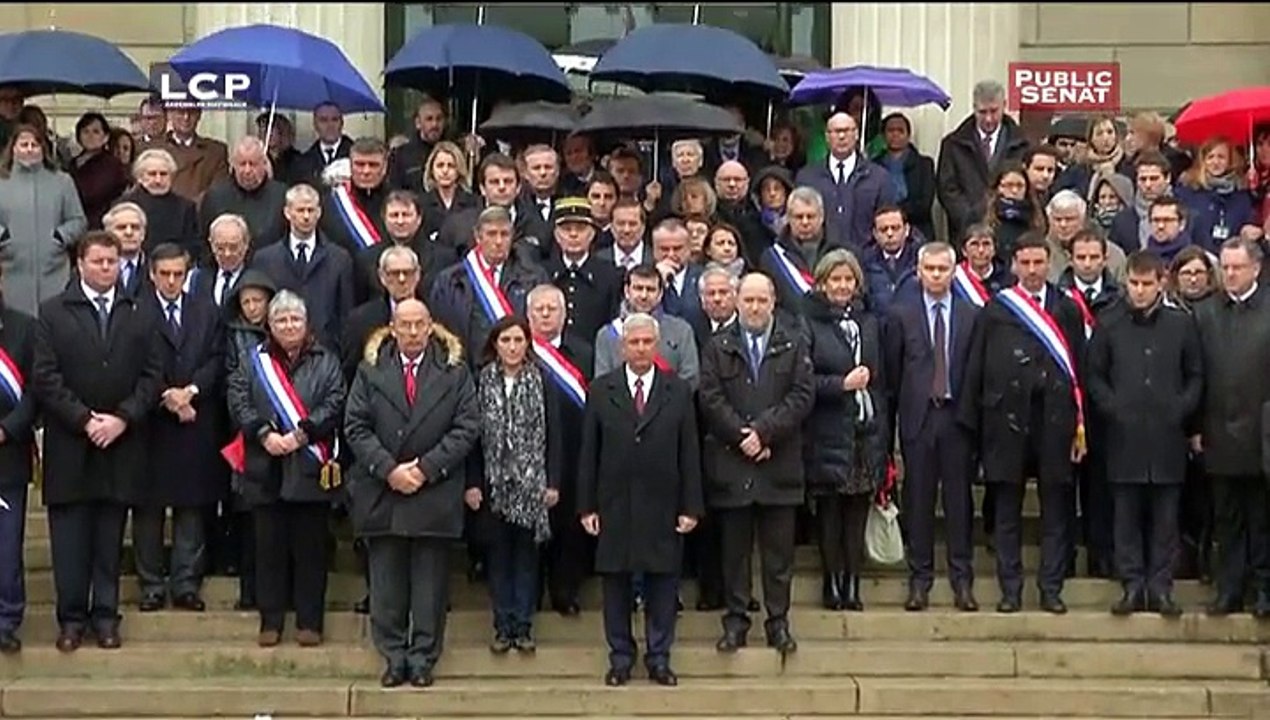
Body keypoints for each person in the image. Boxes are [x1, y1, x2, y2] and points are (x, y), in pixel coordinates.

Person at [31, 230, 163, 652]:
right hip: (71, 446)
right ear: (80, 264)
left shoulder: (139, 311)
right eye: (99, 261)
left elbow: (152, 375)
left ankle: (106, 617)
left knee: (109, 541)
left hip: (120, 444)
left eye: (113, 262)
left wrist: (123, 418)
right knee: (70, 542)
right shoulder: (53, 312)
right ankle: (71, 620)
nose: (107, 268)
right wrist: (84, 419)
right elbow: (45, 376)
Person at [344, 298, 479, 688]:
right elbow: (355, 426)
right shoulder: (370, 370)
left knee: (429, 587)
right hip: (383, 491)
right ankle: (393, 656)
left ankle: (422, 658)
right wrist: (389, 470)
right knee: (386, 585)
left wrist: (424, 468)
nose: (413, 332)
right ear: (392, 327)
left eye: (420, 324)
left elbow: (467, 427)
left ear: (431, 325)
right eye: (405, 325)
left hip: (433, 491)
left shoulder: (454, 371)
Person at [958, 232, 1086, 614]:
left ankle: (1051, 588)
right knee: (1007, 512)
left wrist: (1081, 423)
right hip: (1006, 422)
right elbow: (976, 367)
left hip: (1054, 423)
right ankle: (1010, 590)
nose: (1032, 270)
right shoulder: (997, 310)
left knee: (1056, 511)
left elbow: (1080, 369)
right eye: (1025, 263)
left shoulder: (1066, 309)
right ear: (1014, 265)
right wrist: (973, 425)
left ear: (1049, 264)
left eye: (1038, 263)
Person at [577, 312, 703, 687]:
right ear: (622, 347)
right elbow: (589, 452)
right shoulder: (602, 390)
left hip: (663, 503)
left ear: (657, 345)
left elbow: (689, 451)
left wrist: (691, 506)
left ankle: (659, 658)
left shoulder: (677, 390)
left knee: (663, 584)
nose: (641, 348)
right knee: (615, 585)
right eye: (634, 342)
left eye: (648, 342)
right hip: (614, 503)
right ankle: (620, 657)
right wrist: (587, 506)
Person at [699, 273, 814, 655]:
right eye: (748, 300)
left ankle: (778, 623)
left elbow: (802, 396)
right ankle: (735, 622)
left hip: (778, 465)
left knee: (779, 557)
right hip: (733, 466)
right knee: (734, 555)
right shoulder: (718, 346)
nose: (754, 307)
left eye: (761, 300)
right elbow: (711, 397)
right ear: (736, 301)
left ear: (773, 301)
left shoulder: (793, 343)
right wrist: (742, 437)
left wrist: (764, 433)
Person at [226, 290, 347, 647]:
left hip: (309, 465)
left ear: (306, 323)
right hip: (266, 468)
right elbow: (238, 399)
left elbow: (335, 400)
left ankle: (310, 622)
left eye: (295, 319)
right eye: (281, 320)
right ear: (270, 325)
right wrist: (263, 434)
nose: (289, 326)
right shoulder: (253, 361)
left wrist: (303, 434)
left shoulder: (326, 360)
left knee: (311, 551)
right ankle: (271, 621)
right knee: (268, 551)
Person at [1086, 250, 1202, 616]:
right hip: (1124, 438)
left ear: (1161, 283)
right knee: (1126, 518)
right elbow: (1094, 375)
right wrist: (1114, 407)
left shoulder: (1181, 325)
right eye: (1133, 283)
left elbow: (1195, 374)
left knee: (1166, 520)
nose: (1139, 290)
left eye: (1146, 284)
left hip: (1167, 438)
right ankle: (1132, 585)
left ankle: (1161, 587)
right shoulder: (1109, 323)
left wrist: (1180, 409)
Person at [884, 241, 980, 612]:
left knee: (959, 501)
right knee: (919, 500)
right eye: (930, 269)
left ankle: (962, 579)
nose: (936, 275)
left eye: (943, 269)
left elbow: (975, 371)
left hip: (957, 418)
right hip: (919, 417)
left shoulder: (971, 315)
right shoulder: (901, 314)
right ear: (919, 272)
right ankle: (919, 579)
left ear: (954, 272)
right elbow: (894, 373)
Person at [131, 242, 226, 614]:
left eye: (178, 274)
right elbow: (131, 362)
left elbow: (217, 357)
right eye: (165, 274)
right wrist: (166, 395)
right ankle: (151, 585)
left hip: (194, 420)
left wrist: (191, 392)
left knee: (191, 507)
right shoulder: (135, 311)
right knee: (148, 510)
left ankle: (187, 583)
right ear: (152, 274)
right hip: (151, 423)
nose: (172, 281)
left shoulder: (206, 310)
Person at [467, 315, 562, 654]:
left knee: (526, 557)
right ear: (495, 344)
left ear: (527, 344)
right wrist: (473, 483)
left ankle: (522, 626)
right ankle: (502, 625)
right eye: (505, 340)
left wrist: (552, 481)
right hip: (493, 485)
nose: (512, 347)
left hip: (531, 485)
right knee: (498, 558)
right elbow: (471, 437)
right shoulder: (481, 381)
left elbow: (555, 435)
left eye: (518, 340)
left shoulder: (542, 380)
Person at [802, 249, 888, 612]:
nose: (841, 286)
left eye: (848, 279)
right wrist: (841, 384)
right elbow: (804, 380)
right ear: (822, 283)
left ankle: (853, 581)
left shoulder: (869, 322)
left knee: (857, 512)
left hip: (864, 431)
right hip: (827, 429)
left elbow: (881, 377)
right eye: (835, 279)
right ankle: (831, 581)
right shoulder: (809, 322)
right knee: (831, 512)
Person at [1193, 237, 1270, 617]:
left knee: (1262, 517)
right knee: (1227, 518)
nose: (1230, 274)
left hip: (1262, 434)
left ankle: (1264, 589)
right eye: (1225, 267)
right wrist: (1196, 426)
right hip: (1219, 430)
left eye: (1237, 267)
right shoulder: (1205, 313)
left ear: (1256, 268)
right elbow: (1196, 374)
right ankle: (1229, 589)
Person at [222, 269, 278, 611]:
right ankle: (248, 590)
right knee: (246, 514)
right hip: (245, 433)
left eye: (259, 300)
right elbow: (231, 381)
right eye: (247, 302)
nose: (254, 307)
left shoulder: (283, 330)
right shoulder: (233, 336)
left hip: (283, 433)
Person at [0, 123, 87, 317]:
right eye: (24, 144)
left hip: (54, 271)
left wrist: (60, 237)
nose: (29, 149)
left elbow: (78, 220)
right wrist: (4, 237)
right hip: (11, 271)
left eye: (35, 144)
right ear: (13, 148)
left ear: (43, 148)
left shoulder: (62, 181)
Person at [0, 260, 38, 654]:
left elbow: (36, 391)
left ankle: (6, 619)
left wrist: (7, 429)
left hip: (7, 455)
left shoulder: (23, 328)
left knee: (6, 547)